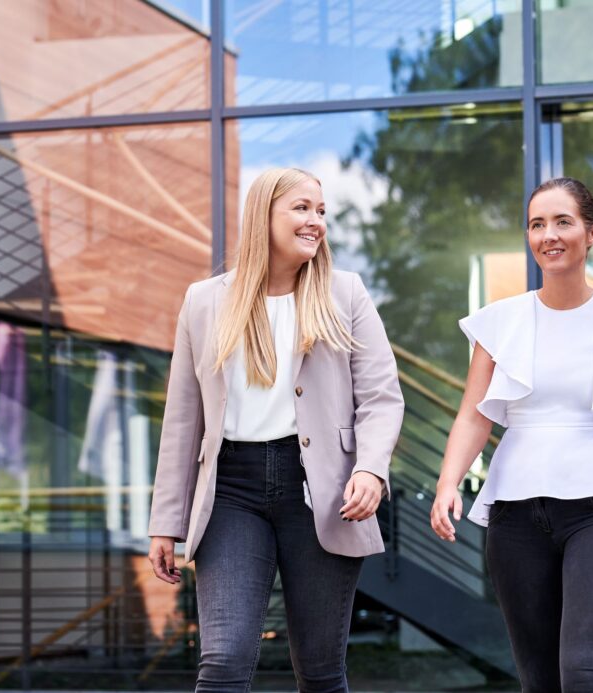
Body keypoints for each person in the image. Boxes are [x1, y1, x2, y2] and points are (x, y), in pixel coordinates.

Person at [430, 177, 593, 692]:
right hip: (515, 515)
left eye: (562, 221)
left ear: (592, 233)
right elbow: (472, 417)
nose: (548, 234)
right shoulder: (499, 322)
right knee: (540, 681)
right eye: (536, 224)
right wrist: (447, 484)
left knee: (584, 671)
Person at [148, 167, 404, 692]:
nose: (315, 221)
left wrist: (372, 470)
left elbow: (381, 398)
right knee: (223, 660)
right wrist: (165, 521)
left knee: (320, 668)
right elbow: (182, 418)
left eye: (321, 211)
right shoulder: (204, 301)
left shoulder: (346, 294)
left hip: (321, 492)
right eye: (302, 208)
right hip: (230, 493)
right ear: (263, 215)